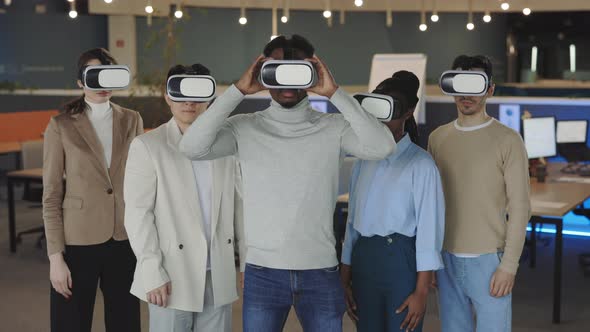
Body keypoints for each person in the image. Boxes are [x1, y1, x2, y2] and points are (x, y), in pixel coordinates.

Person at [179, 34, 396, 332]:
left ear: (313, 73)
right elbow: (191, 148)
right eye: (277, 71)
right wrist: (239, 90)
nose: (287, 82)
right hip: (263, 272)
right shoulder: (244, 127)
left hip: (320, 270)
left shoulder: (333, 127)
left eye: (297, 71)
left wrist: (334, 93)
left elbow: (383, 147)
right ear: (262, 73)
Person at [123, 64, 245, 332]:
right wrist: (151, 271)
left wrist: (247, 260)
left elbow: (240, 208)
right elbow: (137, 214)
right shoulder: (148, 146)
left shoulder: (225, 146)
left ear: (210, 98)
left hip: (218, 272)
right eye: (180, 93)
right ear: (167, 96)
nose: (189, 102)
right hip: (170, 274)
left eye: (198, 94)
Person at [42, 48, 143, 332]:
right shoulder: (60, 125)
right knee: (70, 324)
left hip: (123, 239)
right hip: (77, 242)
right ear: (80, 82)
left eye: (107, 75)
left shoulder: (132, 119)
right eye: (93, 76)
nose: (102, 84)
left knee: (125, 324)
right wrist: (55, 258)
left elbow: (139, 182)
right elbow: (50, 195)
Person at [428, 55, 531, 332]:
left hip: (489, 259)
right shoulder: (438, 138)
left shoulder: (508, 140)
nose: (467, 94)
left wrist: (509, 265)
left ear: (490, 89)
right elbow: (432, 204)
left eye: (476, 84)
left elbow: (520, 207)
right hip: (446, 258)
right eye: (461, 84)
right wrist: (430, 257)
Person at [340, 71, 445, 332]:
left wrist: (422, 292)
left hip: (400, 261)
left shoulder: (421, 164)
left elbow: (429, 232)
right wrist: (343, 280)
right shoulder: (364, 160)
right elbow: (352, 224)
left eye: (392, 110)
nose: (383, 119)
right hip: (364, 260)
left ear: (409, 112)